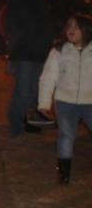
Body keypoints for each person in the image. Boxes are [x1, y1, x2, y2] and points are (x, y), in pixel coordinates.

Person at [38, 13, 92, 185]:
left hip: (90, 101)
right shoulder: (59, 50)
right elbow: (48, 77)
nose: (71, 30)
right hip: (65, 102)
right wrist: (44, 102)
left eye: (76, 27)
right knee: (66, 136)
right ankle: (64, 174)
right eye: (69, 26)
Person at [5, 0, 56, 136]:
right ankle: (16, 125)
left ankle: (30, 122)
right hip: (25, 51)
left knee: (35, 90)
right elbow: (14, 23)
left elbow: (48, 22)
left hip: (41, 50)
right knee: (23, 90)